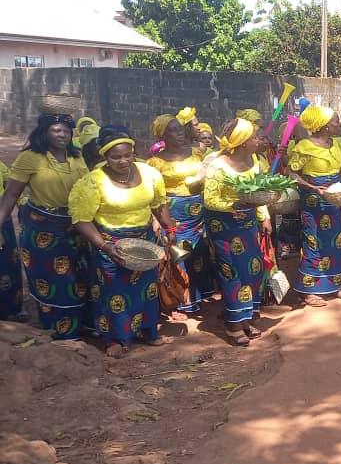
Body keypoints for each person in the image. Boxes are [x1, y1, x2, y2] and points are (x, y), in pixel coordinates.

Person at [69, 126, 174, 357]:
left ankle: (147, 331)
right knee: (113, 292)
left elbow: (158, 204)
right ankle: (115, 339)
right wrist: (104, 246)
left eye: (128, 155)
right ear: (105, 157)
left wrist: (169, 228)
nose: (123, 161)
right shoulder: (93, 182)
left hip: (144, 243)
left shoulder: (150, 174)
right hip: (110, 244)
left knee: (146, 289)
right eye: (116, 157)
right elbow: (82, 221)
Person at [0, 113, 90, 338]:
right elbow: (11, 195)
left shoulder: (77, 156)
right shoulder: (30, 158)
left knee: (79, 276)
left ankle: (81, 326)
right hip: (44, 229)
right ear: (44, 132)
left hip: (76, 227)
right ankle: (59, 332)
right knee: (52, 279)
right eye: (56, 130)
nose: (62, 135)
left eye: (66, 131)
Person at [202, 119, 272, 346]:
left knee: (253, 270)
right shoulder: (218, 166)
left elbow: (258, 191)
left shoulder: (254, 161)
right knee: (232, 273)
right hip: (224, 227)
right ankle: (233, 324)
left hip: (248, 225)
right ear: (242, 143)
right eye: (254, 137)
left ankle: (246, 318)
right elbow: (210, 200)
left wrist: (264, 216)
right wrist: (235, 205)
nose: (258, 140)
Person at [146, 114, 214, 320]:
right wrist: (156, 219)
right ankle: (180, 302)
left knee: (198, 255)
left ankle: (199, 296)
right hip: (173, 213)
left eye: (180, 128)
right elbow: (153, 195)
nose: (180, 133)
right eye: (173, 130)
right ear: (162, 136)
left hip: (198, 212)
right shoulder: (154, 163)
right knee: (177, 256)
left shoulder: (197, 153)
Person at [285, 105, 341, 304]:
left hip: (335, 199)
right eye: (336, 121)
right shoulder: (304, 147)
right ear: (324, 125)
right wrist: (312, 187)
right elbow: (291, 173)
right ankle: (309, 290)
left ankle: (333, 284)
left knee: (337, 242)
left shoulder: (335, 143)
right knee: (314, 242)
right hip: (314, 201)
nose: (339, 124)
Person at [0, 161, 24, 320]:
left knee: (9, 263)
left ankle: (11, 309)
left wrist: (23, 205)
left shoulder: (0, 166)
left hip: (3, 220)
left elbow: (13, 189)